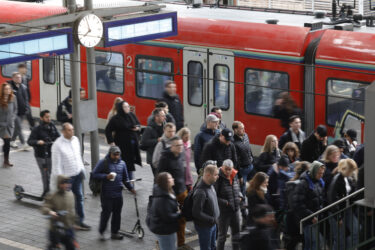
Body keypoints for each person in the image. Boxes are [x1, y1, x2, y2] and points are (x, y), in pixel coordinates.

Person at [51, 123, 90, 230]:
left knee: (79, 198)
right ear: (63, 131)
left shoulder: (76, 140)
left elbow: (78, 156)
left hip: (77, 174)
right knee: (64, 202)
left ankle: (80, 221)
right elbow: (56, 165)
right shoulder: (57, 145)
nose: (72, 132)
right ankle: (62, 222)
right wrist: (60, 180)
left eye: (72, 129)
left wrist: (82, 170)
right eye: (69, 130)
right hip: (66, 178)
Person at [92, 146, 136, 240]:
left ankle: (114, 233)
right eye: (114, 154)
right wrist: (106, 176)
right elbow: (94, 174)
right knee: (106, 214)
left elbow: (125, 179)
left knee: (117, 214)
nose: (116, 156)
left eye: (118, 154)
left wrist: (131, 188)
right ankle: (102, 231)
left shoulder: (122, 164)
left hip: (118, 194)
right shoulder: (103, 162)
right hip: (106, 194)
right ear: (110, 154)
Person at [157, 136, 188, 248]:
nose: (180, 148)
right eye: (178, 145)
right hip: (171, 195)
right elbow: (159, 178)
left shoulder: (180, 155)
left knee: (182, 219)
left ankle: (181, 243)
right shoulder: (165, 158)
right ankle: (160, 245)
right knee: (169, 221)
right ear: (171, 146)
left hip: (182, 191)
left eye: (181, 145)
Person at [292, 161, 325, 250]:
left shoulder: (319, 182)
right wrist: (311, 216)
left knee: (310, 244)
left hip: (315, 218)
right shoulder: (303, 184)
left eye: (322, 173)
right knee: (317, 242)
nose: (321, 175)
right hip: (308, 220)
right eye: (319, 173)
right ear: (313, 171)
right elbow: (297, 204)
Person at [105, 101, 142, 180]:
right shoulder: (116, 118)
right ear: (121, 108)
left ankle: (129, 181)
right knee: (124, 163)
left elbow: (138, 124)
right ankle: (126, 181)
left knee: (130, 163)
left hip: (132, 144)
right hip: (122, 145)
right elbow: (108, 130)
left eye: (128, 106)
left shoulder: (131, 115)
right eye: (125, 107)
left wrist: (137, 128)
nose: (128, 108)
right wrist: (111, 142)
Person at [27, 110, 60, 197]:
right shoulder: (36, 129)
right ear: (41, 118)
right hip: (41, 156)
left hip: (50, 154)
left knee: (51, 173)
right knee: (45, 174)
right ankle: (46, 191)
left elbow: (58, 136)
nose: (49, 118)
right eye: (46, 117)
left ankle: (51, 191)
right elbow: (30, 141)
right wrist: (38, 142)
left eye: (49, 117)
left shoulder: (52, 126)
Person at [327, 159, 358, 250]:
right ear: (345, 169)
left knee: (355, 232)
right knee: (339, 239)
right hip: (337, 213)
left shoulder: (347, 178)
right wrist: (338, 217)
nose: (351, 172)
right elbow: (332, 199)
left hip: (347, 210)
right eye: (350, 170)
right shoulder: (336, 179)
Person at [41, 175, 77, 250]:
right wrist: (50, 212)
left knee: (71, 247)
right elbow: (44, 208)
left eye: (68, 183)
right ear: (59, 184)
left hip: (68, 228)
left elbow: (72, 211)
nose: (67, 185)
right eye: (64, 183)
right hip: (55, 230)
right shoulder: (52, 196)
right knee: (53, 247)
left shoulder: (70, 194)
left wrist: (74, 223)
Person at [147, 172, 181, 250]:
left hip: (167, 229)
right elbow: (168, 217)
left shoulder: (168, 191)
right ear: (165, 182)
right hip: (165, 231)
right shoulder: (163, 199)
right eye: (170, 178)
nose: (173, 179)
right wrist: (179, 214)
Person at [215, 159, 242, 250]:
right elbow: (214, 196)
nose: (228, 171)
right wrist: (225, 202)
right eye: (226, 169)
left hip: (235, 210)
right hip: (224, 212)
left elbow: (237, 188)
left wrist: (240, 196)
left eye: (230, 169)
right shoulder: (218, 177)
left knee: (236, 234)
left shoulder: (234, 174)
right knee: (222, 236)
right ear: (222, 167)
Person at [192, 164, 220, 250]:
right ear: (208, 175)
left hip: (213, 224)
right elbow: (196, 213)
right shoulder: (200, 192)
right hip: (205, 227)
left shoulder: (211, 185)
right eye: (215, 175)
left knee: (213, 246)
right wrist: (211, 219)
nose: (217, 177)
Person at [140, 108, 165, 177]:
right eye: (162, 116)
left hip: (162, 156)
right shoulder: (149, 128)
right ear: (156, 117)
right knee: (158, 177)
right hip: (153, 157)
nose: (164, 117)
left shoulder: (164, 126)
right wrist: (157, 140)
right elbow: (144, 142)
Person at [7, 72, 29, 150]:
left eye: (20, 77)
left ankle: (12, 141)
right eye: (17, 77)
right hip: (14, 112)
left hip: (22, 111)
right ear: (13, 78)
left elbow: (26, 99)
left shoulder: (23, 87)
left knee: (16, 128)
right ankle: (24, 144)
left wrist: (27, 108)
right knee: (19, 127)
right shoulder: (9, 87)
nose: (19, 79)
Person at [232, 121, 254, 195]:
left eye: (243, 128)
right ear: (235, 130)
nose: (244, 130)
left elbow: (249, 148)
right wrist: (239, 176)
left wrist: (252, 158)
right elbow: (236, 160)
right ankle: (243, 202)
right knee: (242, 187)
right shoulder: (233, 143)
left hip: (250, 165)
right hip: (242, 169)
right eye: (241, 128)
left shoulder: (245, 136)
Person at [0, 83, 17, 167]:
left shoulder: (13, 98)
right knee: (6, 142)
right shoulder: (0, 99)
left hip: (10, 125)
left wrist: (12, 118)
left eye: (9, 89)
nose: (7, 91)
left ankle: (6, 160)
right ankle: (6, 160)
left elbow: (15, 109)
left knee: (7, 143)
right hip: (1, 125)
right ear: (2, 90)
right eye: (6, 89)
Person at [18, 63, 34, 130]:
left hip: (26, 101)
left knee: (29, 116)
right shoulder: (17, 78)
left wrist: (29, 98)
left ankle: (33, 129)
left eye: (25, 69)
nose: (25, 70)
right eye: (24, 69)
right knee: (20, 117)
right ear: (20, 70)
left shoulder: (26, 78)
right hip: (20, 101)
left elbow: (27, 89)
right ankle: (16, 132)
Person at [177, 127, 194, 191]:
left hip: (187, 173)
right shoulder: (178, 146)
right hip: (181, 173)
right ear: (181, 136)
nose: (187, 139)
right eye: (186, 137)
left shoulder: (188, 145)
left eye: (188, 137)